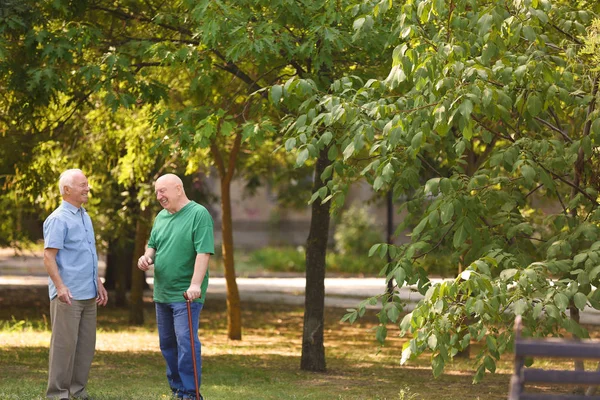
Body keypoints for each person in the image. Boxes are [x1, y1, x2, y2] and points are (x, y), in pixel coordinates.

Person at [138, 173, 214, 400]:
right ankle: (178, 390)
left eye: (163, 191)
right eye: (157, 192)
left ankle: (191, 393)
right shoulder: (161, 217)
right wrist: (146, 258)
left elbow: (204, 252)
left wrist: (195, 285)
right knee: (167, 345)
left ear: (179, 189)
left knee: (186, 344)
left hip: (185, 295)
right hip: (162, 293)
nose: (159, 196)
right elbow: (152, 246)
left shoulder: (198, 214)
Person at [43, 168, 108, 400]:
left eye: (87, 184)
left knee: (85, 347)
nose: (87, 188)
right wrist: (60, 287)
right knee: (64, 347)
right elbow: (49, 257)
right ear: (67, 189)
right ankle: (58, 394)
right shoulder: (58, 219)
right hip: (67, 295)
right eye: (83, 184)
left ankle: (77, 391)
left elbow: (88, 253)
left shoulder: (84, 216)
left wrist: (98, 282)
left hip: (88, 293)